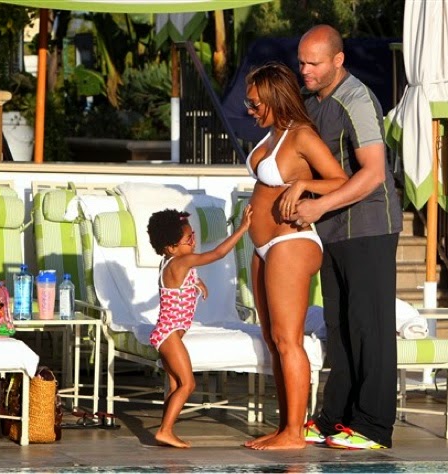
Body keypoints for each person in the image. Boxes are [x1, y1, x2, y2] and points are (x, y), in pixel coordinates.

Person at [292, 24, 403, 450]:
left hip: (370, 226)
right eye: (302, 62)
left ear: (338, 60)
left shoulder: (356, 99)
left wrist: (318, 206)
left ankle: (373, 426)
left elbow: (373, 173)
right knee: (338, 326)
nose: (305, 70)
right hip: (333, 231)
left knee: (368, 326)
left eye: (314, 63)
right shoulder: (309, 101)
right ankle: (334, 418)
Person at [241, 62, 348, 450]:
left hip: (291, 242)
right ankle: (286, 425)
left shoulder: (301, 135)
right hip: (262, 245)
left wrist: (303, 184)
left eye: (255, 103)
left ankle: (294, 434)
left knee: (288, 340)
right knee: (273, 340)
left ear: (274, 98)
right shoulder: (272, 134)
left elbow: (340, 180)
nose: (250, 110)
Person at [146, 205, 253, 448]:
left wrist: (197, 282)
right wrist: (242, 228)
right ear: (171, 247)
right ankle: (165, 431)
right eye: (188, 239)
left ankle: (166, 429)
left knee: (176, 386)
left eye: (193, 236)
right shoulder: (181, 262)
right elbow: (218, 254)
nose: (194, 242)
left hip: (165, 334)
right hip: (169, 335)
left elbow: (180, 279)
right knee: (188, 384)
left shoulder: (171, 262)